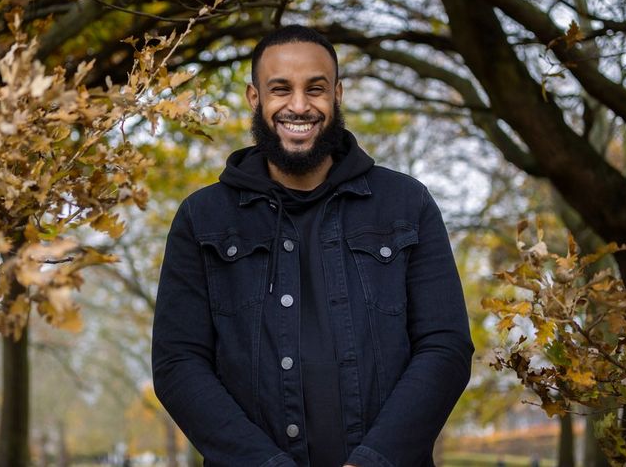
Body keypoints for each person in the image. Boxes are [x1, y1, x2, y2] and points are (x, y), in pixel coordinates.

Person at [152, 25, 473, 467]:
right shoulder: (201, 218)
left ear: (337, 94)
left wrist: (374, 460)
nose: (299, 105)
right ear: (254, 98)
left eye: (315, 89)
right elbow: (177, 364)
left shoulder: (406, 204)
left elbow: (445, 347)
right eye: (280, 89)